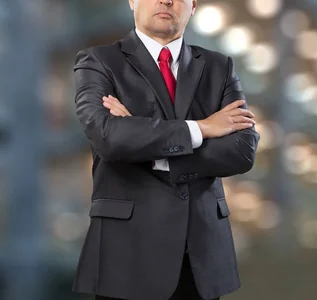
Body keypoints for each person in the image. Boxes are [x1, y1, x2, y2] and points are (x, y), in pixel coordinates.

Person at [71, 0, 259, 299]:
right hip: (126, 255)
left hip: (200, 258)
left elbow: (242, 150)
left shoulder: (219, 67)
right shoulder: (99, 61)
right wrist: (203, 128)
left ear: (193, 5)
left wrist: (143, 139)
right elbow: (108, 137)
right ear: (132, 1)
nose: (166, 0)